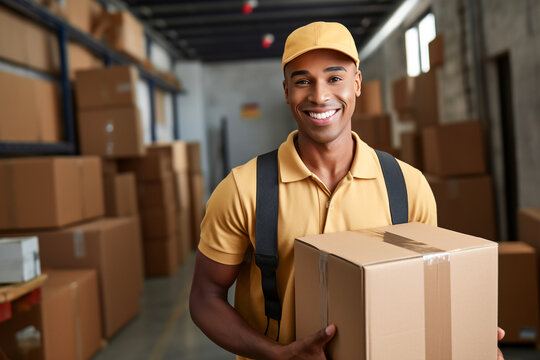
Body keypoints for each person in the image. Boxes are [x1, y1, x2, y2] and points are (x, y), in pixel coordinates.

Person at [190, 21, 504, 360]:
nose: (319, 95)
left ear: (357, 84)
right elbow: (205, 297)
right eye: (302, 81)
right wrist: (276, 353)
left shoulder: (407, 187)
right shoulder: (243, 190)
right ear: (286, 91)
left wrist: (468, 338)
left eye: (334, 78)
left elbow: (426, 291)